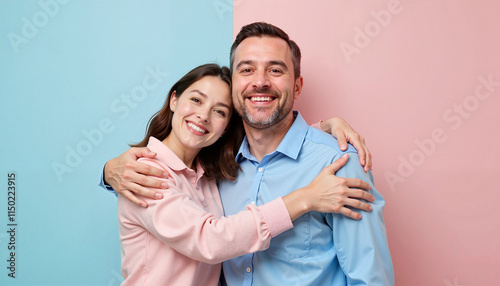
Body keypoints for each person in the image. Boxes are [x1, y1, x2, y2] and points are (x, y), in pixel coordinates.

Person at [102, 22, 393, 285]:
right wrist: (107, 171)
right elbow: (212, 240)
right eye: (247, 69)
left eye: (276, 70)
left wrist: (324, 129)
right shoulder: (146, 174)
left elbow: (370, 279)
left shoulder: (336, 162)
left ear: (297, 85)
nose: (260, 82)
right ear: (174, 100)